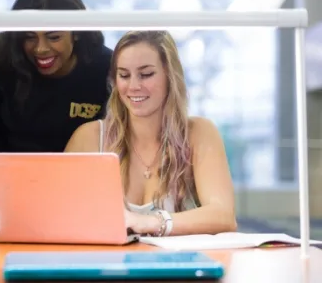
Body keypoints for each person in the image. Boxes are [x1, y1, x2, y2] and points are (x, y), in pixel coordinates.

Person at [65, 31, 237, 236]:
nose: (134, 86)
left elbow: (223, 216)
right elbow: (59, 216)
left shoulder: (199, 133)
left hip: (181, 268)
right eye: (124, 75)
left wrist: (149, 222)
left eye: (146, 74)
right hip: (111, 267)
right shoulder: (89, 138)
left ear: (170, 76)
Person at [0, 0, 112, 156]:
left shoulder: (105, 67)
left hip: (81, 175)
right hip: (5, 174)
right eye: (29, 36)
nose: (40, 48)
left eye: (54, 37)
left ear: (77, 33)